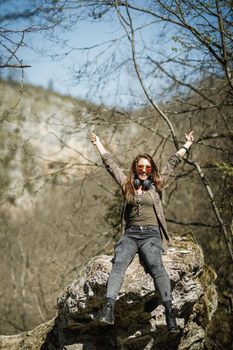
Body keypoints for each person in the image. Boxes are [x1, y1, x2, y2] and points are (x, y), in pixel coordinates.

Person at [91, 131, 194, 332]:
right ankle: (109, 308)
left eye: (148, 167)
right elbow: (110, 164)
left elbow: (173, 162)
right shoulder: (127, 184)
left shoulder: (157, 184)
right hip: (130, 235)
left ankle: (170, 314)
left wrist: (187, 144)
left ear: (151, 169)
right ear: (135, 169)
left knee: (156, 264)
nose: (144, 170)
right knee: (119, 263)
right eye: (140, 167)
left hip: (151, 235)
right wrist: (98, 144)